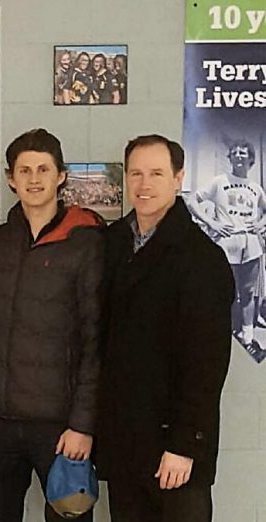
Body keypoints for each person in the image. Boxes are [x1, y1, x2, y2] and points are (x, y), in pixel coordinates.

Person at [0, 129, 104, 522]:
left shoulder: (87, 244)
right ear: (11, 179)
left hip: (60, 428)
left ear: (61, 176)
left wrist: (83, 425)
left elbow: (95, 339)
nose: (34, 179)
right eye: (25, 170)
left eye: (43, 169)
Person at [97, 135, 234, 522]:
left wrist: (185, 444)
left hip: (175, 452)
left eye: (157, 173)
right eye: (136, 173)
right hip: (125, 445)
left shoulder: (202, 258)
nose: (144, 184)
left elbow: (207, 366)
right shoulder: (112, 247)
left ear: (178, 179)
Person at [186, 139, 266, 360]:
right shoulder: (219, 181)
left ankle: (248, 336)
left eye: (244, 153)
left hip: (250, 245)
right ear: (230, 158)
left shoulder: (256, 188)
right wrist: (212, 223)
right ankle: (220, 334)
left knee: (248, 292)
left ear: (251, 160)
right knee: (223, 293)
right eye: (235, 153)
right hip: (225, 244)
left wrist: (261, 224)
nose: (239, 156)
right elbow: (192, 201)